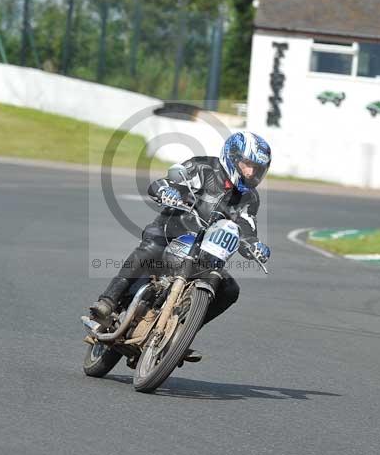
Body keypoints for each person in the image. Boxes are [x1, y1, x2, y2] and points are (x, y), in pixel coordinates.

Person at [89, 131, 272, 357]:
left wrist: (254, 245)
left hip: (205, 252)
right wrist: (167, 190)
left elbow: (246, 226)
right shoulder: (203, 168)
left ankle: (181, 334)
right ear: (232, 157)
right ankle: (109, 300)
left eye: (257, 169)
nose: (251, 172)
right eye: (247, 165)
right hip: (171, 232)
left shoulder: (250, 198)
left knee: (229, 290)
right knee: (150, 250)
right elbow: (163, 183)